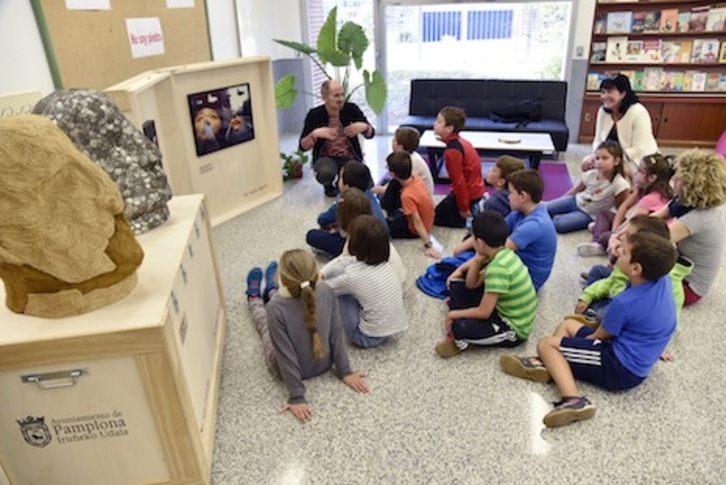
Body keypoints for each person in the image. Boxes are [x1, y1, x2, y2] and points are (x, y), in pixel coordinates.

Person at [500, 232, 678, 428]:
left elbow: (601, 336)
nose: (618, 251)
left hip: (619, 368)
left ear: (636, 268)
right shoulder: (663, 280)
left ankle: (574, 400)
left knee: (546, 344)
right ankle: (552, 366)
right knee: (567, 325)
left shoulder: (624, 303)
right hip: (639, 357)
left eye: (624, 252)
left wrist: (583, 344)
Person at [245, 249, 368, 423]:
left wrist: (297, 396)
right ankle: (271, 290)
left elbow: (284, 354)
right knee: (277, 305)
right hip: (324, 363)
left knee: (264, 323)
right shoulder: (327, 290)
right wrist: (345, 371)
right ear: (315, 274)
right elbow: (336, 333)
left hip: (286, 367)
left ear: (284, 279)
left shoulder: (274, 309)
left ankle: (254, 296)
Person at [435, 211, 538, 358]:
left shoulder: (498, 267)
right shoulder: (502, 253)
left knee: (460, 327)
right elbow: (472, 284)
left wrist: (453, 314)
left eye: (473, 238)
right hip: (499, 308)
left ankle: (459, 340)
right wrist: (477, 260)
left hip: (512, 328)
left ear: (480, 243)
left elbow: (484, 312)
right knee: (457, 285)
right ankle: (461, 315)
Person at [450, 169, 557, 291]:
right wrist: (461, 248)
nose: (508, 197)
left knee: (465, 288)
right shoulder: (522, 211)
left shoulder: (534, 225)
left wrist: (462, 269)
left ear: (523, 196)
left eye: (511, 193)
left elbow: (495, 251)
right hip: (517, 262)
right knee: (474, 248)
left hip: (529, 280)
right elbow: (493, 231)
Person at [575, 216, 692, 324]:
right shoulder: (636, 259)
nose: (620, 236)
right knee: (598, 270)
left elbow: (629, 305)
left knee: (603, 313)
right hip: (620, 291)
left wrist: (590, 296)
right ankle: (594, 303)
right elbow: (613, 280)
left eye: (628, 235)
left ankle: (594, 309)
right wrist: (588, 295)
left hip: (631, 307)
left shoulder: (647, 273)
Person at [651, 150, 726, 306]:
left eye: (679, 178)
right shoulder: (684, 202)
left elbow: (652, 242)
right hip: (679, 265)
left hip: (688, 287)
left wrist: (621, 240)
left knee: (636, 274)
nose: (673, 180)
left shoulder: (699, 218)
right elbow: (652, 219)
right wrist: (623, 232)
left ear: (692, 185)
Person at [320, 215, 408, 348]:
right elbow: (345, 260)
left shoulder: (353, 277)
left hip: (365, 337)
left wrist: (309, 282)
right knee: (345, 275)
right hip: (393, 329)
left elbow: (323, 290)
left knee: (337, 277)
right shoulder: (386, 264)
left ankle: (320, 318)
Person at [578, 153, 674, 257]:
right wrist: (615, 230)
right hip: (637, 228)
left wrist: (615, 236)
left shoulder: (651, 198)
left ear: (652, 178)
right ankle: (601, 241)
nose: (636, 173)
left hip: (644, 238)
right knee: (605, 214)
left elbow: (632, 223)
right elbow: (624, 207)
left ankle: (600, 242)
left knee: (605, 236)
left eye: (640, 171)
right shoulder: (642, 188)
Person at [299, 79, 374, 196]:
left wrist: (364, 127)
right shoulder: (314, 115)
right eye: (336, 96)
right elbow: (302, 146)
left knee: (366, 183)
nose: (341, 99)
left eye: (342, 94)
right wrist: (314, 134)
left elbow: (371, 134)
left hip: (349, 156)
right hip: (326, 158)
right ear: (324, 97)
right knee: (325, 173)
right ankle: (328, 186)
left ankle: (344, 179)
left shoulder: (351, 109)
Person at [320, 188, 407, 287]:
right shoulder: (372, 231)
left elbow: (342, 273)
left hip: (381, 288)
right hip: (396, 282)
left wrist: (321, 277)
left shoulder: (355, 241)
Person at [547, 140, 630, 234]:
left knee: (560, 225)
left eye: (605, 158)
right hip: (575, 200)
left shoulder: (620, 184)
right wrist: (561, 200)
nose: (599, 162)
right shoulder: (591, 174)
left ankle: (557, 217)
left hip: (589, 214)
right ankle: (556, 215)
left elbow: (621, 208)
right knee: (545, 208)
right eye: (597, 158)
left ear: (616, 161)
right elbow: (576, 190)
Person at [581, 74, 658, 174]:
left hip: (636, 159)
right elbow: (598, 140)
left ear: (623, 93)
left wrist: (611, 160)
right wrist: (597, 155)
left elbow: (639, 149)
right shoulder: (603, 111)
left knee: (615, 172)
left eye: (609, 92)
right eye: (603, 92)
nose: (604, 96)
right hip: (609, 156)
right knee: (586, 164)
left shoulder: (638, 112)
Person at [306, 161, 386, 258]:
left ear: (347, 186)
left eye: (340, 178)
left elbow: (322, 219)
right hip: (381, 242)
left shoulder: (345, 201)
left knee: (312, 235)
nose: (337, 181)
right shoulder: (369, 194)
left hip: (358, 248)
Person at [432, 107, 485, 228]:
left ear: (449, 128)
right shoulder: (461, 141)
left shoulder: (452, 152)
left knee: (433, 217)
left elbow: (459, 182)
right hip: (476, 190)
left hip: (469, 194)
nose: (435, 124)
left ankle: (473, 217)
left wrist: (464, 207)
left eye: (439, 121)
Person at [384, 151, 438, 258]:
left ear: (392, 173)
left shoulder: (407, 196)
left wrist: (428, 245)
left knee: (384, 227)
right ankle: (387, 210)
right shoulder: (415, 178)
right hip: (428, 219)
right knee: (393, 184)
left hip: (413, 230)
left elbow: (417, 222)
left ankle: (386, 212)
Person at [372, 126, 434, 201]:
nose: (392, 141)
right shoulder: (410, 156)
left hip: (420, 197)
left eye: (394, 140)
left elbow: (398, 185)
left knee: (385, 198)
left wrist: (374, 190)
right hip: (413, 189)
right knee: (385, 182)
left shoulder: (411, 161)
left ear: (400, 147)